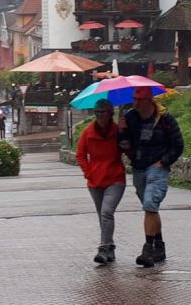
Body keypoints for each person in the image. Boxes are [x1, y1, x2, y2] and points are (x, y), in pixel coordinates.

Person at [118, 85, 184, 268]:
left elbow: (178, 145)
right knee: (151, 208)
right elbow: (123, 145)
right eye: (134, 99)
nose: (136, 103)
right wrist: (121, 131)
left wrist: (163, 162)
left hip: (157, 168)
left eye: (139, 99)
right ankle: (159, 246)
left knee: (149, 204)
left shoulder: (165, 119)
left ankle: (147, 250)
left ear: (149, 100)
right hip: (139, 168)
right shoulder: (130, 118)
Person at [76, 98, 126, 264]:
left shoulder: (118, 130)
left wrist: (126, 142)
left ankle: (103, 248)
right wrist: (88, 172)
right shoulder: (88, 132)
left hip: (115, 178)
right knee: (102, 215)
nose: (99, 115)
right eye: (97, 112)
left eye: (103, 112)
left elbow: (129, 150)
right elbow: (81, 155)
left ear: (110, 113)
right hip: (95, 180)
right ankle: (110, 248)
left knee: (106, 212)